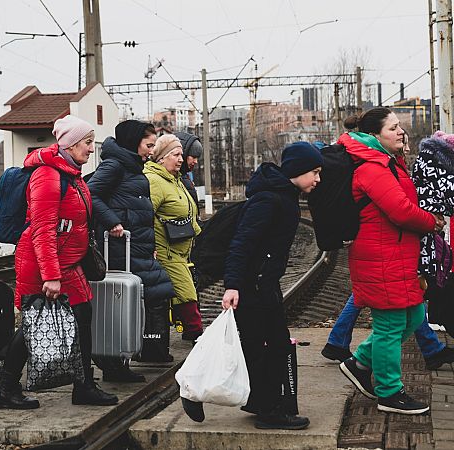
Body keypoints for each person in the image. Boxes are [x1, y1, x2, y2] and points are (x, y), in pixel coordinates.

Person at [0, 115, 118, 409]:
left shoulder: (72, 174)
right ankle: (5, 387)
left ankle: (84, 385)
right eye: (87, 143)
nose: (91, 148)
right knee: (35, 324)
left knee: (82, 315)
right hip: (43, 265)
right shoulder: (47, 176)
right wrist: (51, 276)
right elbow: (42, 231)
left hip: (69, 265)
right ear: (71, 144)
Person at [336, 108, 442, 415]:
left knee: (411, 317)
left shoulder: (387, 163)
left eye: (400, 127)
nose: (401, 132)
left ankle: (358, 363)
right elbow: (401, 210)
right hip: (381, 257)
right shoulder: (371, 168)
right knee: (390, 325)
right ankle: (389, 392)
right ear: (374, 136)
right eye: (393, 127)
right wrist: (431, 221)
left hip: (395, 254)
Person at [216, 141, 322, 430]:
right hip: (254, 286)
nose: (317, 178)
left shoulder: (284, 196)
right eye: (313, 171)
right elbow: (243, 242)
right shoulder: (269, 200)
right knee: (269, 346)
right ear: (297, 170)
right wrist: (233, 284)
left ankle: (259, 401)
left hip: (264, 283)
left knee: (264, 345)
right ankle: (269, 411)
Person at [87, 120, 176, 381]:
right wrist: (112, 220)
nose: (151, 150)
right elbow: (90, 194)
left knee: (146, 297)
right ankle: (116, 363)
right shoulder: (116, 165)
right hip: (120, 249)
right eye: (148, 145)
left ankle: (124, 359)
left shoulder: (132, 166)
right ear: (133, 141)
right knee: (135, 298)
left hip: (136, 247)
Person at [144, 134, 204, 349]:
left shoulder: (174, 179)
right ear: (161, 157)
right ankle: (195, 332)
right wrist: (150, 247)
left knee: (182, 290)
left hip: (179, 249)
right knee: (185, 290)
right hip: (165, 250)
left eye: (181, 154)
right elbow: (145, 216)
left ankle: (189, 331)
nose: (181, 159)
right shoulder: (155, 181)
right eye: (175, 155)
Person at [322, 293, 454, 369]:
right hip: (386, 251)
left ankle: (337, 343)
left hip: (375, 251)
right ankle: (431, 349)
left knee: (361, 292)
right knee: (410, 294)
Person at [414, 130, 454, 340]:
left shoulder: (427, 161)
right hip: (426, 233)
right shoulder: (437, 165)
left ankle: (431, 348)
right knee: (419, 290)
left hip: (428, 233)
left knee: (416, 295)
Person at [174, 132, 202, 206]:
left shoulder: (184, 177)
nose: (196, 161)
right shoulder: (173, 178)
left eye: (197, 158)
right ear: (184, 154)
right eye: (193, 157)